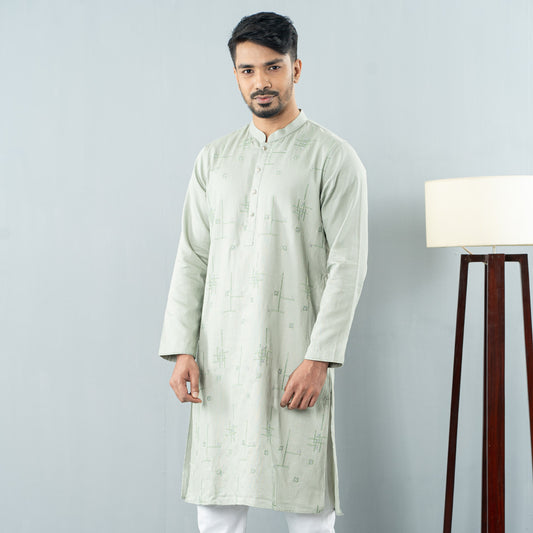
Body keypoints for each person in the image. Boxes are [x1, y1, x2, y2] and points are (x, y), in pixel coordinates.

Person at [158, 11, 368, 533]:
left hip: (295, 355)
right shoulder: (214, 159)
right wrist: (183, 349)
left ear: (296, 68)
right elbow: (192, 256)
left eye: (273, 67)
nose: (261, 82)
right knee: (217, 505)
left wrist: (319, 359)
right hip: (219, 360)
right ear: (235, 75)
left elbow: (348, 264)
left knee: (308, 505)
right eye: (247, 70)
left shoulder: (332, 157)